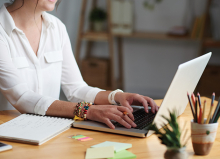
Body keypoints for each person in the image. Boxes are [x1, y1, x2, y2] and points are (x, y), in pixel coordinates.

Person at [0, 0, 158, 129]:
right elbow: (22, 97)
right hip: (9, 134)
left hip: (48, 130)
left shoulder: (57, 28)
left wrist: (116, 96)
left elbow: (76, 89)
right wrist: (87, 111)